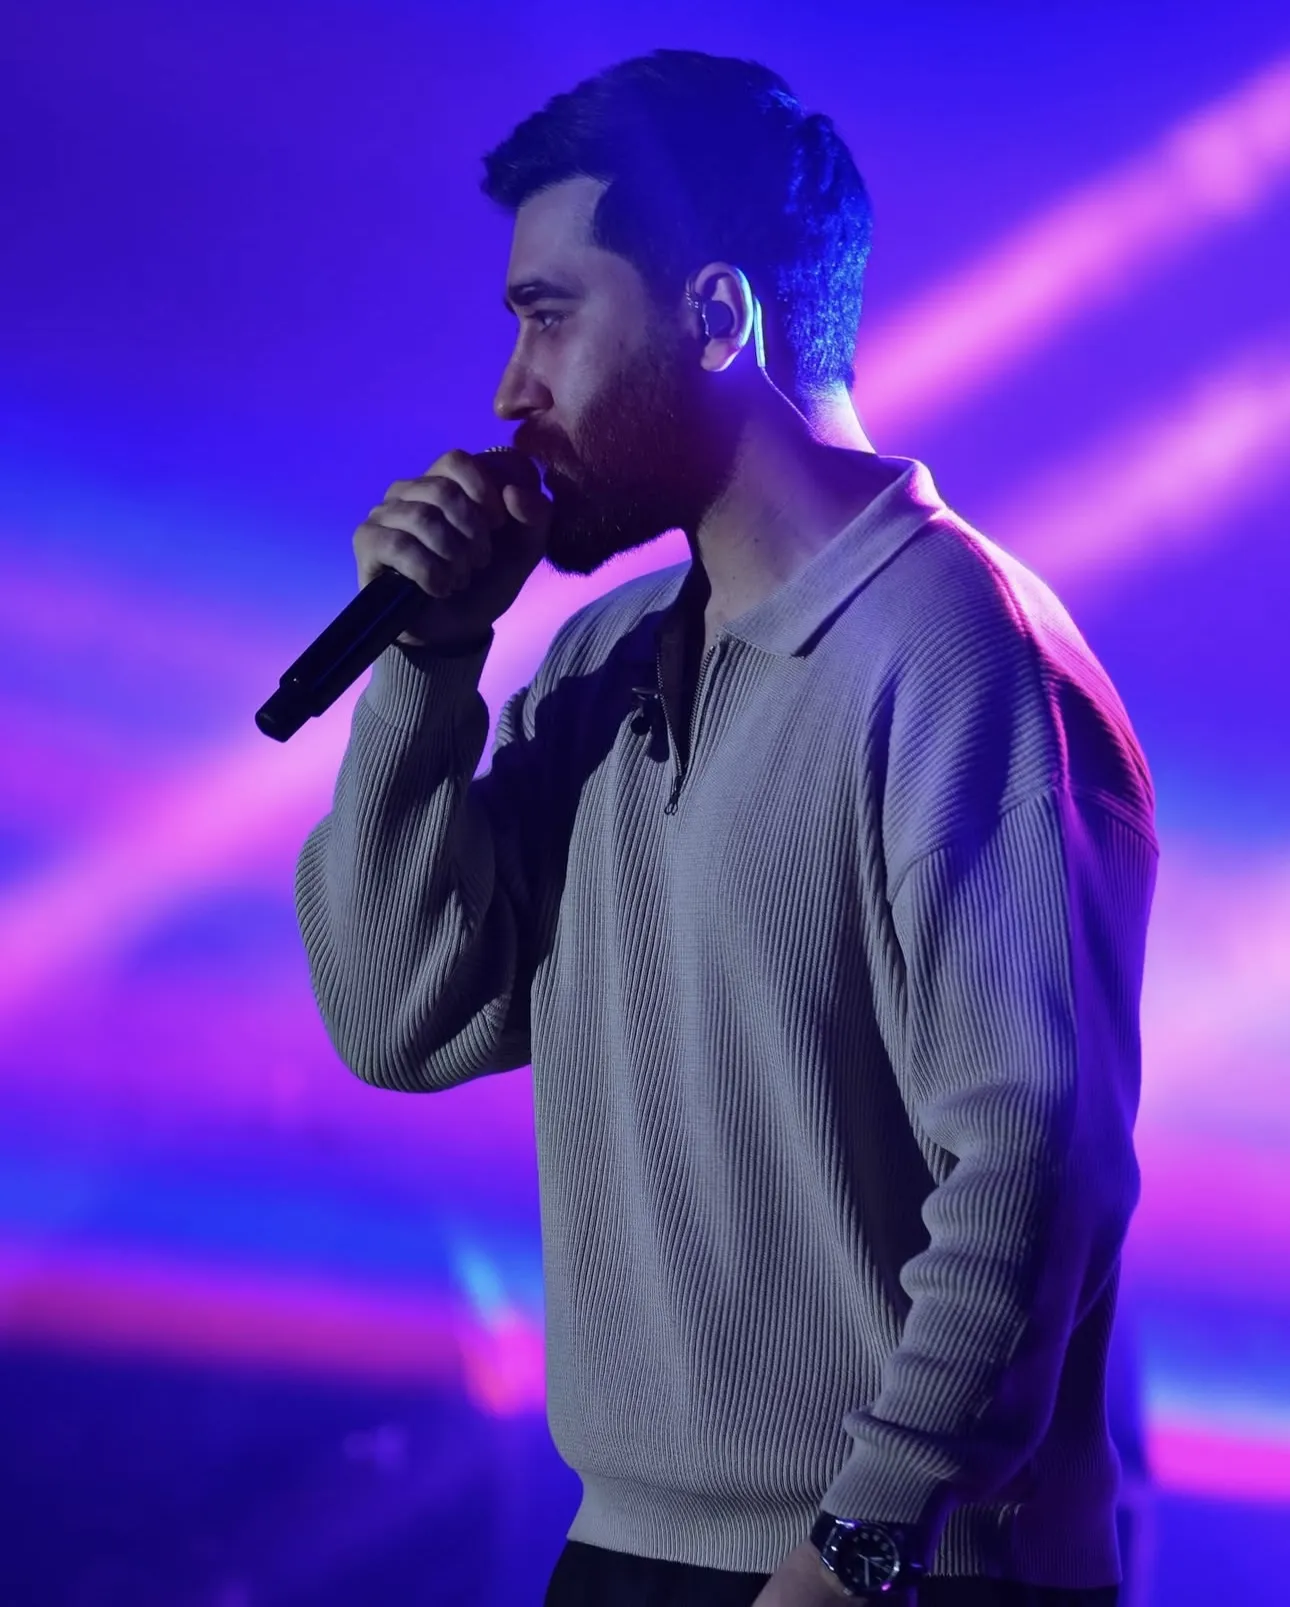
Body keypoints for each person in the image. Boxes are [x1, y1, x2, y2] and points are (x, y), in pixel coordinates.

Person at [294, 50, 1157, 1607]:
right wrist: (426, 663)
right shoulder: (597, 657)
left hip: (894, 1570)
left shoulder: (959, 652)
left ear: (715, 316)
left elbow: (1036, 1162)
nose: (508, 389)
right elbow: (395, 1015)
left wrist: (861, 1541)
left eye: (549, 315)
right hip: (629, 1547)